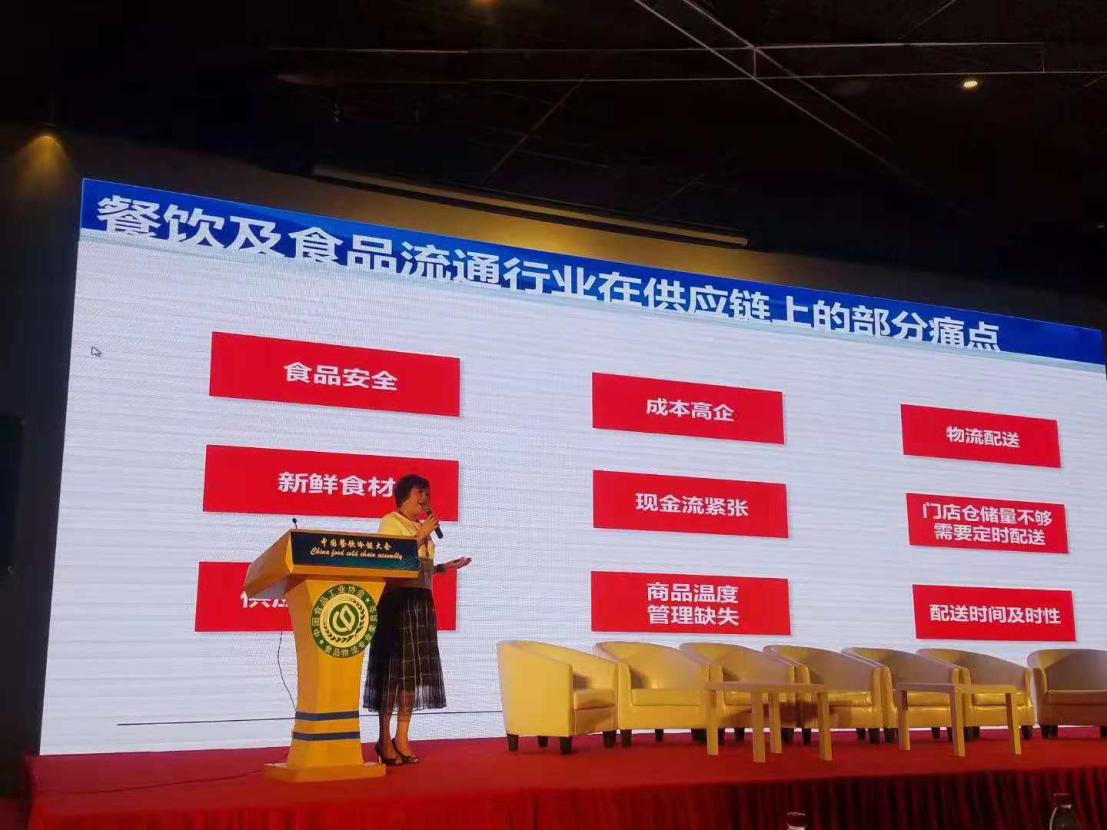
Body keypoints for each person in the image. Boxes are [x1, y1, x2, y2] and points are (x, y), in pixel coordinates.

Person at [363, 473, 471, 765]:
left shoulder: (419, 527)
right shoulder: (391, 522)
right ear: (404, 497)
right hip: (397, 602)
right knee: (392, 673)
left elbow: (417, 567)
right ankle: (383, 738)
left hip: (421, 601)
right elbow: (392, 560)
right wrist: (422, 533)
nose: (425, 499)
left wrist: (442, 568)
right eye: (419, 494)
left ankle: (402, 737)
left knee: (411, 675)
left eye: (427, 494)